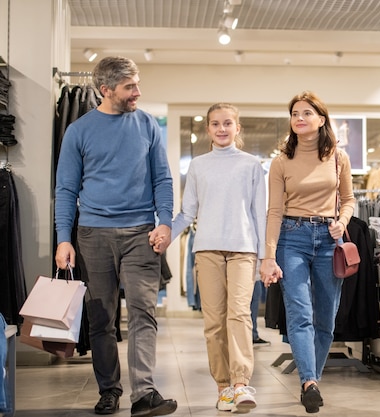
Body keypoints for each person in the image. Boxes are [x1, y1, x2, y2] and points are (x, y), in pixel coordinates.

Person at [54, 56, 177, 416]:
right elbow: (65, 189)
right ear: (105, 90)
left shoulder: (148, 125)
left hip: (142, 233)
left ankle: (145, 393)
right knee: (101, 317)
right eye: (130, 87)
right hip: (93, 234)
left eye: (137, 84)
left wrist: (165, 222)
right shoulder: (79, 130)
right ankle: (109, 390)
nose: (137, 92)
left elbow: (163, 179)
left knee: (143, 311)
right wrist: (65, 238)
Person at [155, 103, 266, 413]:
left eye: (228, 123)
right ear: (208, 130)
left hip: (244, 250)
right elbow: (187, 212)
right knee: (214, 322)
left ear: (237, 128)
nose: (221, 128)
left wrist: (265, 257)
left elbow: (260, 213)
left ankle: (241, 383)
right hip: (206, 250)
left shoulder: (251, 165)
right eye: (215, 123)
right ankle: (223, 387)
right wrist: (167, 235)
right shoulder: (199, 166)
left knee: (240, 315)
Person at [260, 90, 356, 414]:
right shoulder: (281, 161)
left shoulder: (338, 158)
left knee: (326, 320)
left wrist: (341, 222)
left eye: (306, 113)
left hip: (329, 240)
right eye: (294, 114)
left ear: (321, 120)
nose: (299, 118)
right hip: (292, 238)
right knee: (300, 315)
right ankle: (309, 384)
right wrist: (269, 255)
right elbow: (274, 211)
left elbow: (350, 199)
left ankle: (311, 376)